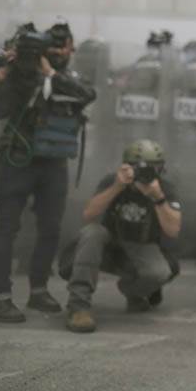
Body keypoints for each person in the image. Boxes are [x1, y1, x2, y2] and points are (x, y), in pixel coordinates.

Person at [0, 22, 95, 323]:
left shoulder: (67, 78)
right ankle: (0, 297)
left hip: (54, 164)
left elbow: (89, 94)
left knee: (50, 229)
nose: (60, 51)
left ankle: (39, 290)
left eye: (65, 46)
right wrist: (8, 74)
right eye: (54, 46)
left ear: (72, 48)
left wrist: (49, 74)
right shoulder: (20, 73)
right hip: (17, 160)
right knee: (6, 228)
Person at [63, 140, 181, 333]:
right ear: (126, 166)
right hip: (109, 244)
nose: (145, 173)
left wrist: (158, 198)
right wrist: (117, 187)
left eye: (153, 168)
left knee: (160, 272)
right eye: (139, 168)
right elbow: (88, 215)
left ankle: (132, 291)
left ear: (162, 169)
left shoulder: (164, 188)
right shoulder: (113, 181)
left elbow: (173, 230)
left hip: (141, 247)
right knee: (92, 232)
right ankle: (79, 307)